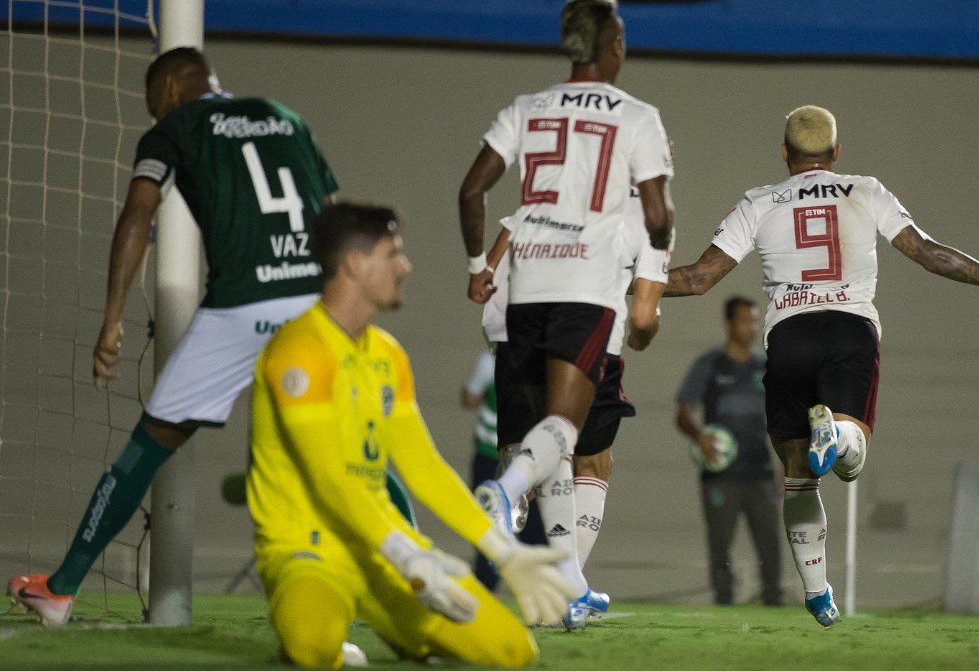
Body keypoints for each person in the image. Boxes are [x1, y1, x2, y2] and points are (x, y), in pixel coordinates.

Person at [663, 105, 979, 628]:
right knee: (851, 461)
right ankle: (839, 434)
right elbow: (926, 252)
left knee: (798, 476)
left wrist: (623, 278)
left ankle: (816, 593)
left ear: (784, 153)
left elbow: (698, 278)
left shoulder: (759, 202)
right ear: (836, 154)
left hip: (788, 335)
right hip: (849, 327)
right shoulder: (865, 189)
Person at [8, 47, 341, 626]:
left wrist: (111, 318)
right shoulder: (285, 115)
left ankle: (60, 590)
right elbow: (336, 212)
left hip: (242, 302)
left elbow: (138, 214)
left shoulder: (177, 126)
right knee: (348, 446)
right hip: (315, 302)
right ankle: (419, 580)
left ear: (165, 89)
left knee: (150, 443)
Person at [248, 202, 576, 668]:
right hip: (308, 552)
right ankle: (379, 634)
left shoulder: (388, 354)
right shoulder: (300, 349)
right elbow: (330, 480)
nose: (405, 267)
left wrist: (504, 552)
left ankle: (410, 635)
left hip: (388, 556)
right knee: (311, 649)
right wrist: (406, 553)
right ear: (356, 265)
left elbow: (422, 465)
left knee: (513, 651)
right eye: (392, 254)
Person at [457, 0, 673, 618]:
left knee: (553, 435)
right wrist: (652, 279)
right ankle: (503, 490)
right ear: (613, 46)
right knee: (565, 430)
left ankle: (570, 589)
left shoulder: (526, 108)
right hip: (585, 286)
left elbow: (473, 192)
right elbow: (657, 213)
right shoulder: (636, 116)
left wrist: (478, 267)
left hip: (529, 287)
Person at [477, 187, 671, 625]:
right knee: (589, 459)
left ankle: (558, 574)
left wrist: (479, 268)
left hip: (509, 327)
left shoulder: (551, 187)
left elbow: (498, 252)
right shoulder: (648, 211)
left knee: (544, 452)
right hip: (578, 328)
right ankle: (515, 501)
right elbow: (642, 316)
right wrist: (644, 326)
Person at [675, 296, 783, 607]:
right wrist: (700, 437)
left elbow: (778, 419)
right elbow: (683, 413)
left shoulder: (765, 367)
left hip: (759, 472)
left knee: (770, 544)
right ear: (727, 323)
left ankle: (774, 602)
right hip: (720, 475)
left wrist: (785, 462)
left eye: (754, 321)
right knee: (720, 545)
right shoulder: (709, 364)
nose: (750, 327)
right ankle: (724, 602)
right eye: (744, 320)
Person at [459, 347, 547, 592]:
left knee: (491, 538)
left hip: (492, 460)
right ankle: (548, 603)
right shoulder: (544, 363)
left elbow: (469, 400)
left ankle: (478, 605)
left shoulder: (489, 361)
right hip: (525, 463)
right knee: (535, 537)